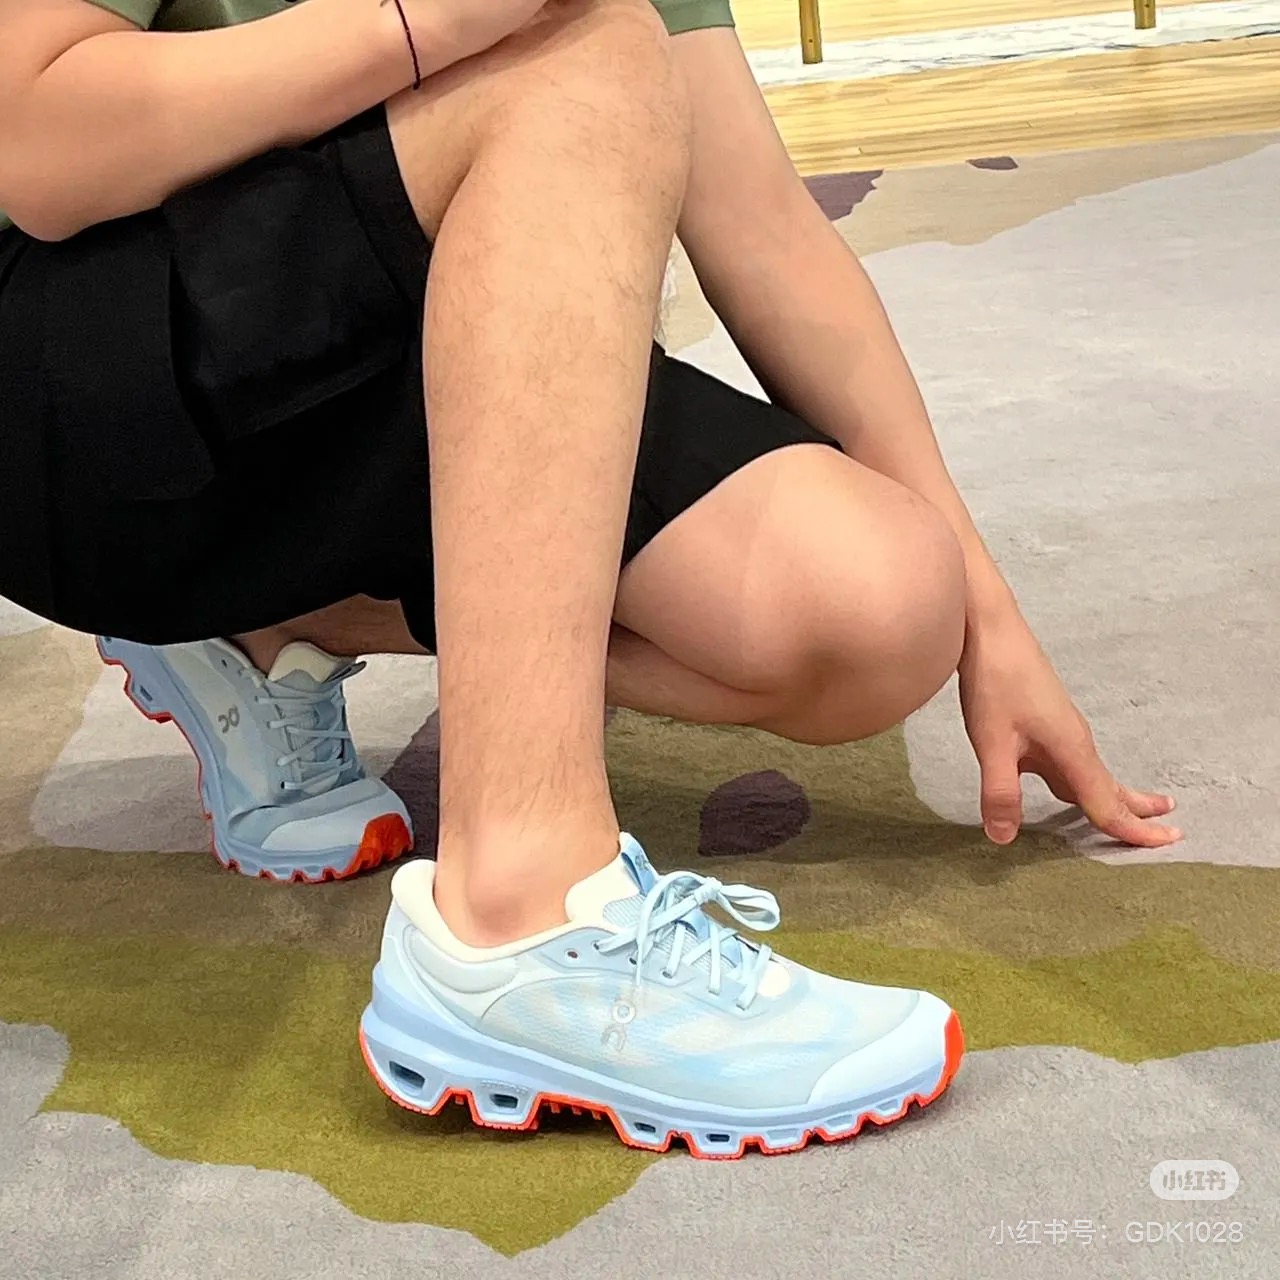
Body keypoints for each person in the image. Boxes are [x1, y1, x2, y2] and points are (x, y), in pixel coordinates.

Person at [0, 0, 1179, 1157]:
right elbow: (34, 139)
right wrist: (423, 27)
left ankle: (270, 622)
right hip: (80, 411)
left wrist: (990, 615)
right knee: (582, 57)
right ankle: (517, 907)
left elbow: (763, 228)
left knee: (882, 609)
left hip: (394, 359)